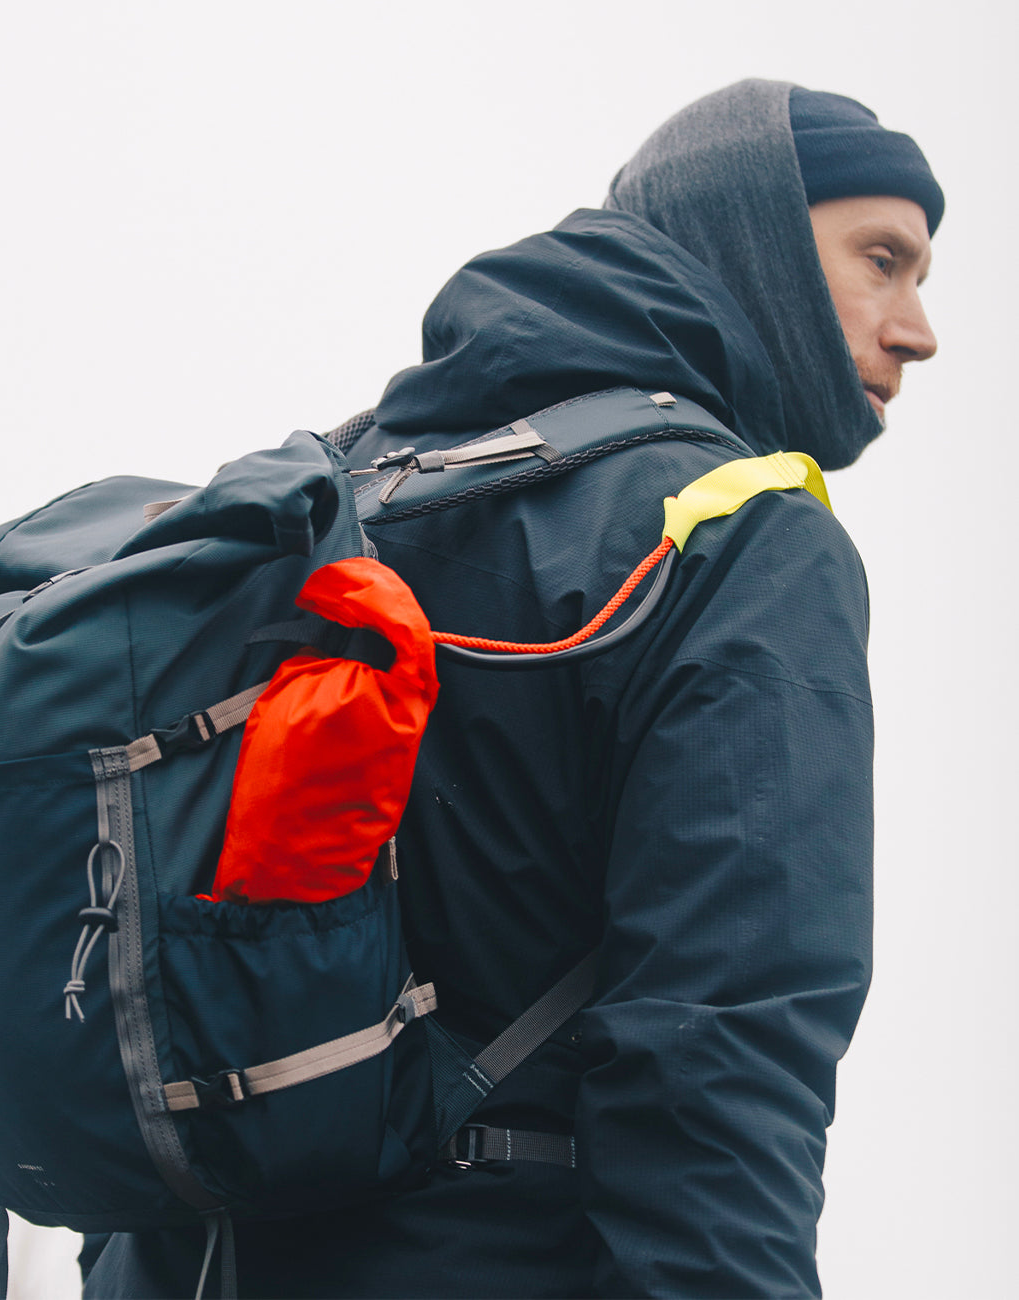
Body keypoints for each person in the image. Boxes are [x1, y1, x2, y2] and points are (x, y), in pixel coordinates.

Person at [82, 78, 941, 1299]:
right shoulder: (742, 533)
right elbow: (722, 1052)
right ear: (750, 233)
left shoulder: (346, 490)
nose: (916, 328)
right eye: (882, 259)